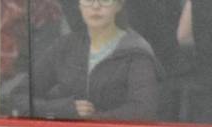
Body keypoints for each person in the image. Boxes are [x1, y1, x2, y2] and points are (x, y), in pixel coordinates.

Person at [29, 0, 161, 120]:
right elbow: (21, 96)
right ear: (79, 5)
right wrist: (64, 109)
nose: (96, 6)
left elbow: (144, 110)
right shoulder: (65, 46)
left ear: (119, 5)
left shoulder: (136, 52)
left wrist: (92, 120)